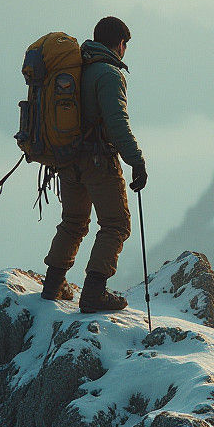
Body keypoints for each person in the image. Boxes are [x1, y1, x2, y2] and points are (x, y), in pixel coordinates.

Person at [41, 16, 147, 312]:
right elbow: (117, 123)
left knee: (74, 222)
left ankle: (53, 284)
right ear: (120, 44)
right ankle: (94, 293)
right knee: (116, 224)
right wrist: (136, 161)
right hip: (98, 161)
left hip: (67, 159)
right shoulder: (109, 74)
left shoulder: (78, 68)